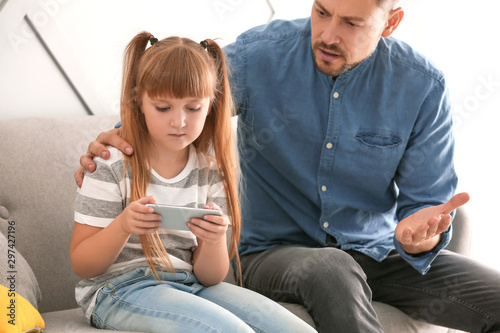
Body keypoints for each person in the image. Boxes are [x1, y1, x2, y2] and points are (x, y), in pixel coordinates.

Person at [75, 1, 500, 332]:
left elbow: (425, 205)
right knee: (331, 269)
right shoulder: (261, 56)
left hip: (376, 250)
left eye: (351, 23)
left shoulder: (422, 86)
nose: (328, 34)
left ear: (390, 23)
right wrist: (118, 137)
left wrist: (418, 236)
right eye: (321, 12)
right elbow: (178, 97)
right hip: (272, 252)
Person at [70, 32, 317, 333]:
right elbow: (82, 265)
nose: (179, 122)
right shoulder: (111, 163)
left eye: (193, 108)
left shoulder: (211, 171)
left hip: (190, 285)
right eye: (163, 108)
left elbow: (210, 276)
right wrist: (123, 226)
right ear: (139, 100)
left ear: (211, 104)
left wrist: (212, 241)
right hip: (119, 290)